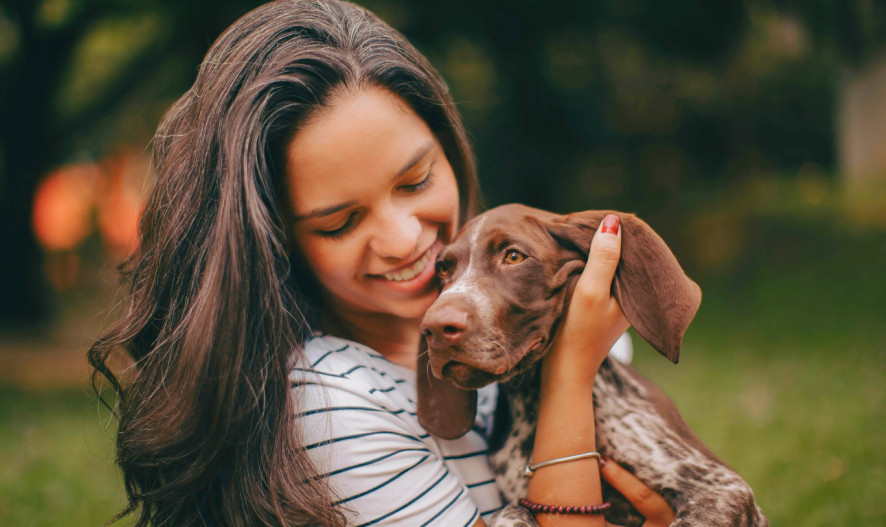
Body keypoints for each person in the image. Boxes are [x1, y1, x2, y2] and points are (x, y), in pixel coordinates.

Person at [89, 1, 677, 526]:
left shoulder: (535, 312)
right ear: (274, 242)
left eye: (416, 179)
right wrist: (571, 371)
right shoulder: (330, 405)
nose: (402, 241)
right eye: (339, 223)